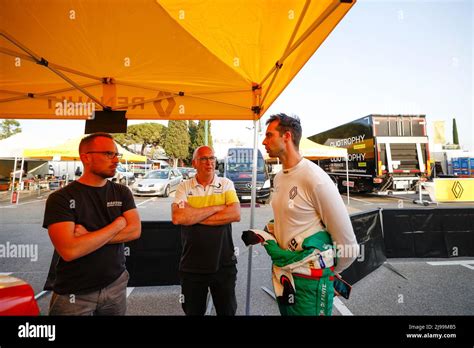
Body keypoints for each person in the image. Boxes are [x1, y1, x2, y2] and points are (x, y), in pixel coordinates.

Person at [243, 113, 359, 316]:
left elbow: (349, 245)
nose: (263, 141)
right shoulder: (279, 177)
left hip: (311, 283)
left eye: (269, 135)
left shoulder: (315, 179)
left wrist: (329, 273)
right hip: (284, 276)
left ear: (287, 136)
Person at [43, 132, 141, 315]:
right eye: (108, 154)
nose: (116, 160)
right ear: (86, 157)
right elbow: (70, 250)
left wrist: (88, 237)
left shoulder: (122, 192)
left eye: (116, 154)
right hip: (74, 292)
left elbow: (135, 231)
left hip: (116, 284)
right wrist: (117, 225)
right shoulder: (61, 198)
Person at [171, 145, 241, 315]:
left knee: (227, 312)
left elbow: (235, 214)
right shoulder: (184, 187)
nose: (209, 162)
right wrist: (217, 207)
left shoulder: (226, 184)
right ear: (194, 163)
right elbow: (178, 217)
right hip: (192, 266)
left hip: (223, 264)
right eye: (203, 159)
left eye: (212, 158)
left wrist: (194, 216)